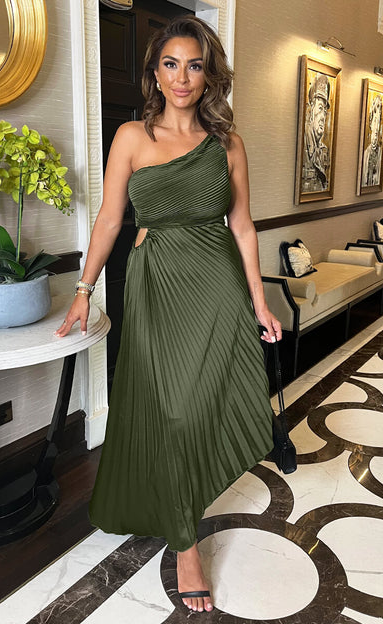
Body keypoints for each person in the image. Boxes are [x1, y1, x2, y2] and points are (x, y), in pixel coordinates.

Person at [55, 15, 281, 614]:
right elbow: (110, 219)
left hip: (218, 286)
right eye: (171, 64)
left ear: (209, 76)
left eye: (194, 65)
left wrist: (259, 300)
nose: (182, 77)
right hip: (157, 285)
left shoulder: (228, 144)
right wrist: (84, 288)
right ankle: (185, 544)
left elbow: (242, 225)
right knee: (172, 413)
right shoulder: (132, 136)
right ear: (155, 73)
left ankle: (182, 504)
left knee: (207, 404)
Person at [302, 72, 330, 192]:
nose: (323, 116)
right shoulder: (303, 142)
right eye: (320, 108)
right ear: (311, 109)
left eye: (325, 111)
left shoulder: (324, 150)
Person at [362, 94, 382, 187]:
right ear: (370, 124)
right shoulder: (365, 154)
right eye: (375, 121)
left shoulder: (380, 153)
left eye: (378, 122)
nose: (377, 127)